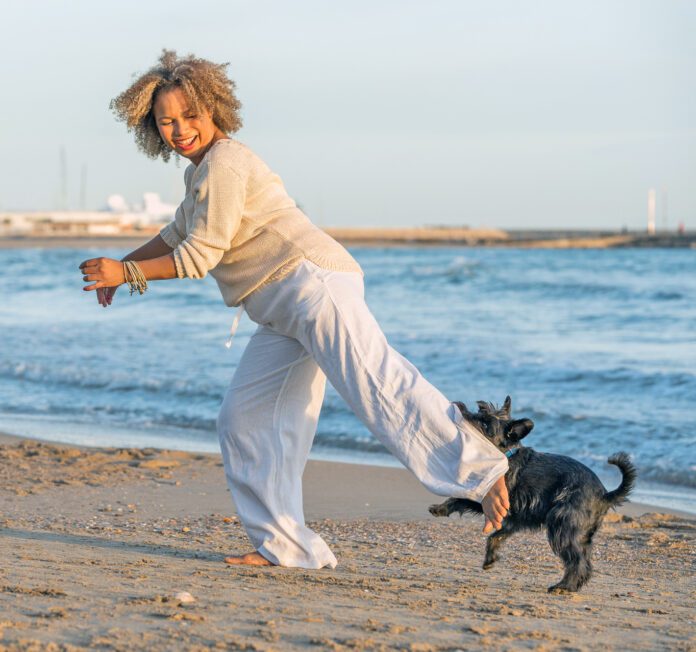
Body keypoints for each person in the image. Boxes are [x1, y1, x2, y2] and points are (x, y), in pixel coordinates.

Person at [79, 50, 510, 569]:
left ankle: (483, 471)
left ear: (214, 107)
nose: (180, 129)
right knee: (244, 420)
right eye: (166, 121)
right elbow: (175, 234)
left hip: (312, 284)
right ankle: (286, 547)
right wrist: (125, 264)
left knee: (376, 383)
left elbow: (199, 256)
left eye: (190, 115)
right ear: (152, 128)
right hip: (280, 307)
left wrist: (125, 275)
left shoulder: (227, 161)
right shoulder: (201, 175)